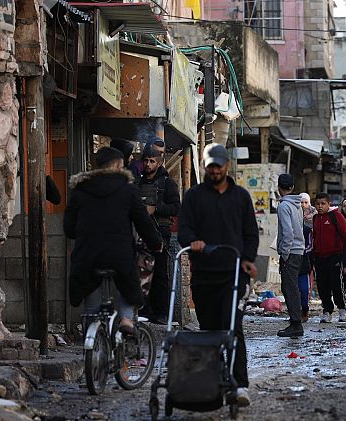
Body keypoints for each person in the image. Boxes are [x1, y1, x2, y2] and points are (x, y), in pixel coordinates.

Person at [178, 144, 259, 407]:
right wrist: (194, 241)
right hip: (204, 275)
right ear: (205, 166)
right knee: (209, 331)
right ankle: (213, 381)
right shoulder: (193, 197)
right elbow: (184, 230)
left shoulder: (241, 197)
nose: (214, 170)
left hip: (234, 275)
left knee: (233, 328)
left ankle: (240, 385)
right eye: (210, 166)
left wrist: (248, 259)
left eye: (218, 166)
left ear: (226, 166)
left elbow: (250, 232)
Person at [64, 147, 163, 335]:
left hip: (87, 256)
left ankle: (92, 337)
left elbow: (69, 228)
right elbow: (143, 222)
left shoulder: (80, 190)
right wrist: (155, 243)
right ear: (119, 165)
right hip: (120, 255)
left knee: (91, 306)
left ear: (95, 166)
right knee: (129, 280)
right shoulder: (128, 190)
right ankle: (126, 319)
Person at [136, 146, 181, 324]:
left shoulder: (167, 184)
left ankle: (162, 313)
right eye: (145, 160)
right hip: (140, 234)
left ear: (159, 162)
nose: (148, 164)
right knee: (142, 273)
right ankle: (145, 310)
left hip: (161, 234)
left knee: (160, 274)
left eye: (152, 161)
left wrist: (155, 209)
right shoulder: (137, 183)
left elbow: (176, 208)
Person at [275, 174, 306, 337]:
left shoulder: (283, 206)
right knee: (291, 287)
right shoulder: (297, 205)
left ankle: (296, 324)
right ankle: (295, 322)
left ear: (279, 187)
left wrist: (284, 254)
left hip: (291, 252)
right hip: (298, 251)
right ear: (292, 187)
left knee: (290, 288)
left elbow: (288, 233)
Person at [312, 193, 346, 323]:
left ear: (328, 204)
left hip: (335, 256)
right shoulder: (315, 218)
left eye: (323, 204)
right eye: (317, 204)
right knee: (322, 285)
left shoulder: (336, 216)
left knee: (336, 284)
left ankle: (342, 309)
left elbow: (345, 236)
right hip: (319, 257)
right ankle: (327, 310)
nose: (320, 206)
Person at [298, 223, 312, 322]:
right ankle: (294, 312)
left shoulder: (306, 230)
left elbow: (310, 246)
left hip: (302, 264)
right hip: (289, 262)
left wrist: (299, 252)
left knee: (304, 290)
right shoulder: (286, 227)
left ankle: (304, 310)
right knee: (290, 290)